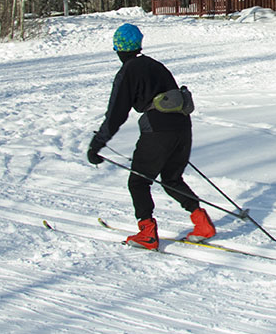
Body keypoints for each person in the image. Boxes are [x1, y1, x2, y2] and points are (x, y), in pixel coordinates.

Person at [87, 23, 216, 250]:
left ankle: (147, 233)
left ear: (119, 48)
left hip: (158, 129)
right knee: (172, 179)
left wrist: (97, 143)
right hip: (182, 126)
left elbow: (116, 113)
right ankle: (202, 222)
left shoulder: (128, 71)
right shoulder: (157, 66)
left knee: (138, 181)